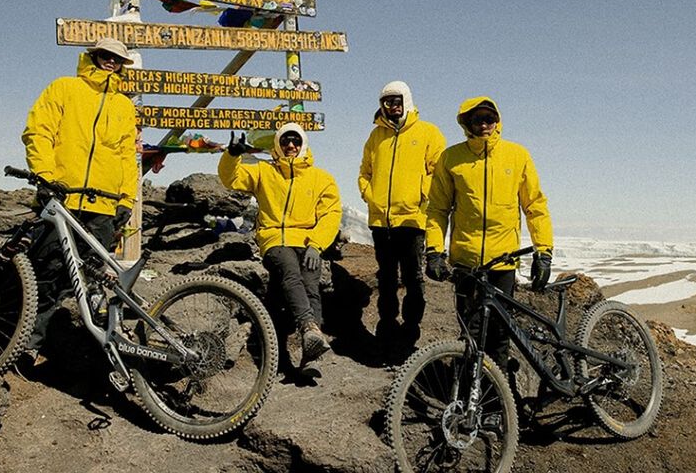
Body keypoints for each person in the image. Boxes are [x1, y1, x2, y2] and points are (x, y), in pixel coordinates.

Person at [19, 37, 139, 363]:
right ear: (93, 56)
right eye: (105, 56)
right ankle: (29, 346)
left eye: (117, 59)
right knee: (45, 271)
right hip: (61, 198)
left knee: (93, 281)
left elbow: (127, 156)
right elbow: (38, 131)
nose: (111, 62)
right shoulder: (64, 88)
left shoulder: (124, 106)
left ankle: (87, 353)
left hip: (103, 205)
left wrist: (126, 199)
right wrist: (45, 176)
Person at [424, 96, 553, 369]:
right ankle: (469, 394)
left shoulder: (517, 155)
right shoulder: (451, 158)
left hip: (503, 262)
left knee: (499, 334)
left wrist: (544, 251)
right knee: (468, 332)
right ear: (466, 123)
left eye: (489, 118)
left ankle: (499, 398)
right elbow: (437, 209)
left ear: (498, 121)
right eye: (477, 119)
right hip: (466, 262)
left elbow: (535, 206)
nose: (484, 124)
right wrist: (434, 250)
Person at [218, 123, 341, 378]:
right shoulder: (264, 171)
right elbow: (230, 178)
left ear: (303, 143)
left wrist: (316, 245)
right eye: (286, 141)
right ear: (278, 145)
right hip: (274, 239)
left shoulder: (322, 178)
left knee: (310, 284)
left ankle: (309, 358)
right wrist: (232, 155)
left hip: (308, 242)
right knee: (289, 272)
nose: (291, 146)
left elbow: (331, 215)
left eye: (296, 141)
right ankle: (308, 327)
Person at [358, 81, 446, 351]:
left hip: (413, 221)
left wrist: (421, 196)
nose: (392, 107)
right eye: (387, 102)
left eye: (397, 101)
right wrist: (370, 195)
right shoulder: (376, 137)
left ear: (406, 100)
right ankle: (386, 326)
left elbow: (439, 175)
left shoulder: (428, 133)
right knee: (385, 277)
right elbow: (365, 173)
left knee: (413, 279)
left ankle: (410, 330)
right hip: (381, 221)